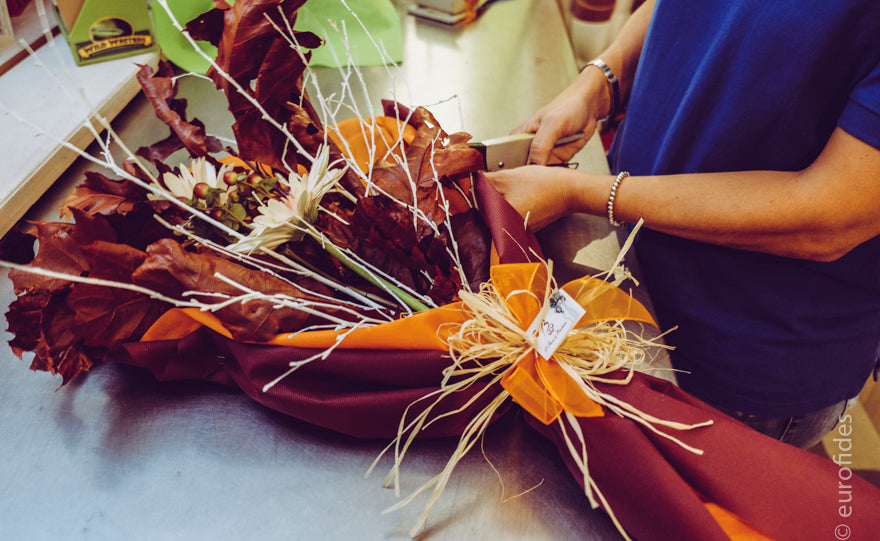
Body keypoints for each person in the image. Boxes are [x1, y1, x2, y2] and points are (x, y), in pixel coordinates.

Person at [485, 0, 880, 449]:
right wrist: (599, 83)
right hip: (622, 268)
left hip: (740, 361)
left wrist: (584, 193)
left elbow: (829, 216)